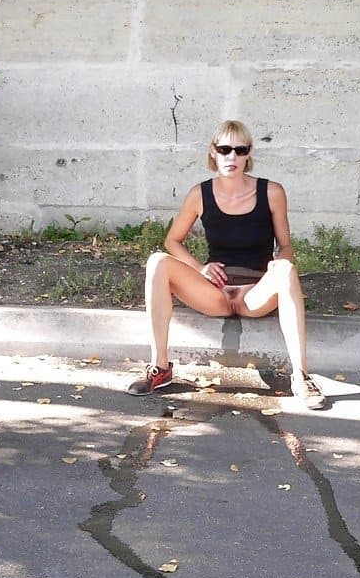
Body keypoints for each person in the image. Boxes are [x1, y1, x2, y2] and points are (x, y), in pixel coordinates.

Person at [127, 120, 325, 409]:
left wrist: (278, 265)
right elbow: (173, 241)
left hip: (255, 292)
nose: (231, 157)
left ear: (248, 154)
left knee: (286, 269)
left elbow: (286, 246)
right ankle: (161, 368)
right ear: (213, 152)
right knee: (157, 261)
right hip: (215, 293)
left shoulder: (272, 192)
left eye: (239, 150)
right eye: (224, 149)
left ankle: (301, 377)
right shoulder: (200, 194)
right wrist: (200, 268)